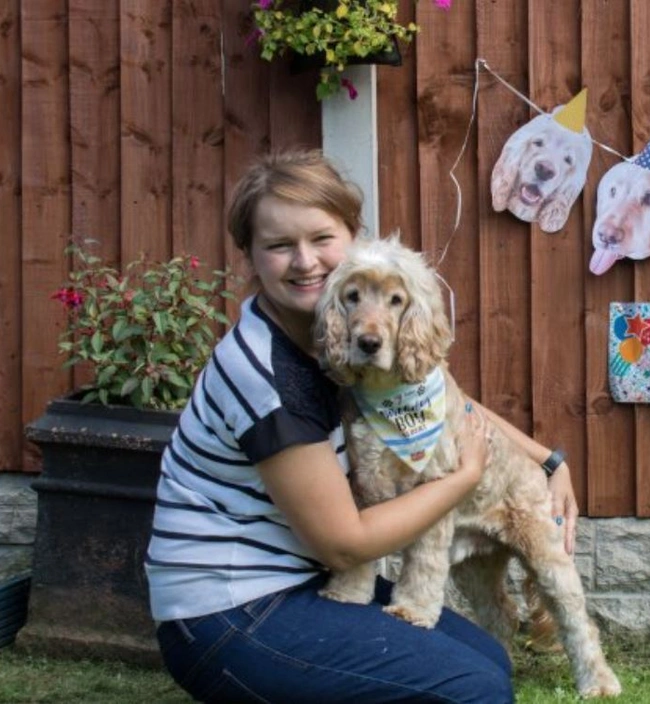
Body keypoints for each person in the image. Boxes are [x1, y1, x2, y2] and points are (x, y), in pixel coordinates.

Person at [145, 149, 580, 703]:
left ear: (353, 235)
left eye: (321, 238)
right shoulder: (268, 376)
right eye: (279, 246)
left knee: (486, 656)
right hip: (230, 614)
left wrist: (547, 462)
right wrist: (461, 479)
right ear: (250, 256)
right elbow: (346, 546)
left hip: (294, 581)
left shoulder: (336, 333)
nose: (305, 262)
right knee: (474, 690)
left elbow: (445, 398)